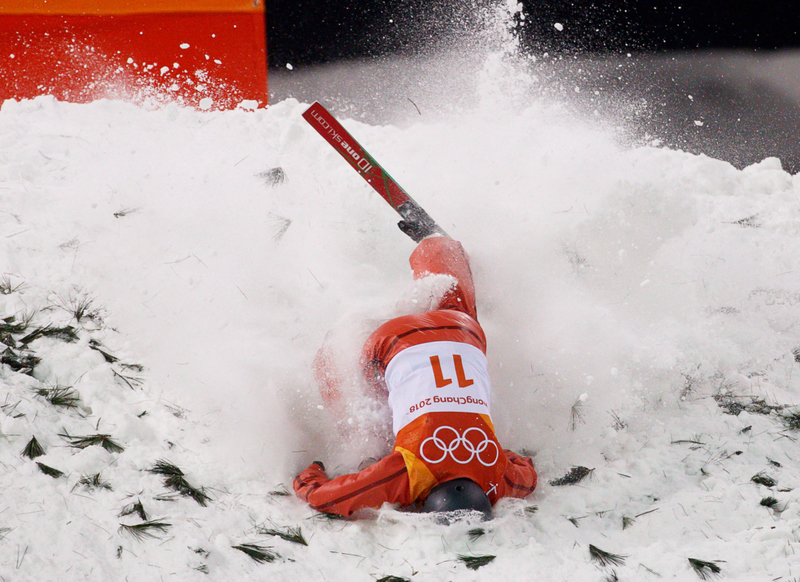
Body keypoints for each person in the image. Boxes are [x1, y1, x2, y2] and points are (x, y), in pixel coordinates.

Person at [293, 210, 538, 518]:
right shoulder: (410, 473)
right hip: (391, 341)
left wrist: (501, 456)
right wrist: (309, 475)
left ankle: (436, 245)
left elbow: (527, 472)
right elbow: (327, 498)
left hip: (460, 331)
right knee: (363, 414)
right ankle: (334, 346)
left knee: (456, 302)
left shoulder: (500, 476)